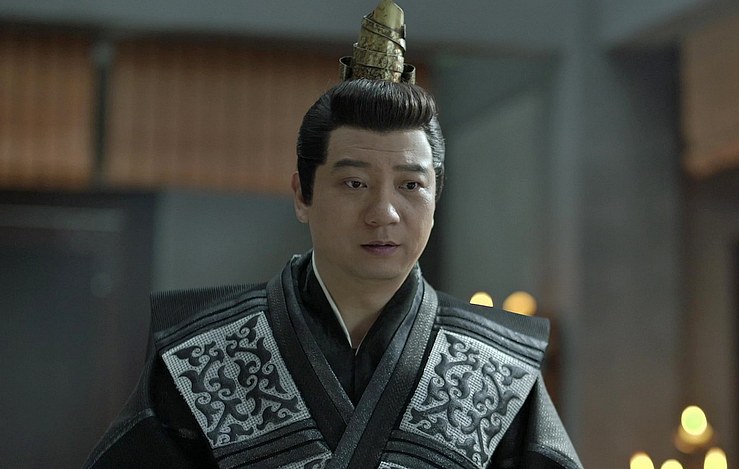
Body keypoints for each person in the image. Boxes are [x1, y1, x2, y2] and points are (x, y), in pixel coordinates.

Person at [84, 1, 582, 468]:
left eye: (411, 185)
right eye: (354, 183)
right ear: (303, 195)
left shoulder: (498, 367)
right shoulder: (202, 353)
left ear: (437, 198)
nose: (383, 212)